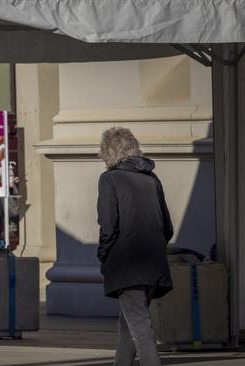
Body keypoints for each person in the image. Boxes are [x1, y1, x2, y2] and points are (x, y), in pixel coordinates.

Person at [96, 127, 173, 366]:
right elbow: (167, 227)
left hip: (126, 263)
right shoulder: (152, 179)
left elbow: (108, 225)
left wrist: (103, 254)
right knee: (129, 325)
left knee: (139, 327)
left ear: (108, 151)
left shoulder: (109, 179)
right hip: (154, 262)